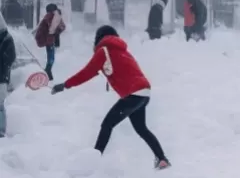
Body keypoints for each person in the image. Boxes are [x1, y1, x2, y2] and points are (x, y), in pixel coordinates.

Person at [51, 26, 171, 169]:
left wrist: (65, 85)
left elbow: (87, 72)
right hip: (144, 93)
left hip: (133, 94)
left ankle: (93, 160)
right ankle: (162, 158)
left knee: (107, 124)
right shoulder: (122, 50)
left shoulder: (104, 51)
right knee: (141, 128)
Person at [34, 3, 66, 80]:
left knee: (51, 56)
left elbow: (55, 27)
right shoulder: (54, 16)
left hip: (49, 39)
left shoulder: (51, 16)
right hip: (49, 39)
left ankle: (48, 71)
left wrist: (54, 31)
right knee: (51, 56)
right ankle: (48, 71)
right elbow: (60, 27)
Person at [0, 24, 14, 138]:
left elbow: (11, 57)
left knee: (0, 104)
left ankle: (1, 130)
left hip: (1, 78)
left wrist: (3, 63)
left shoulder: (7, 38)